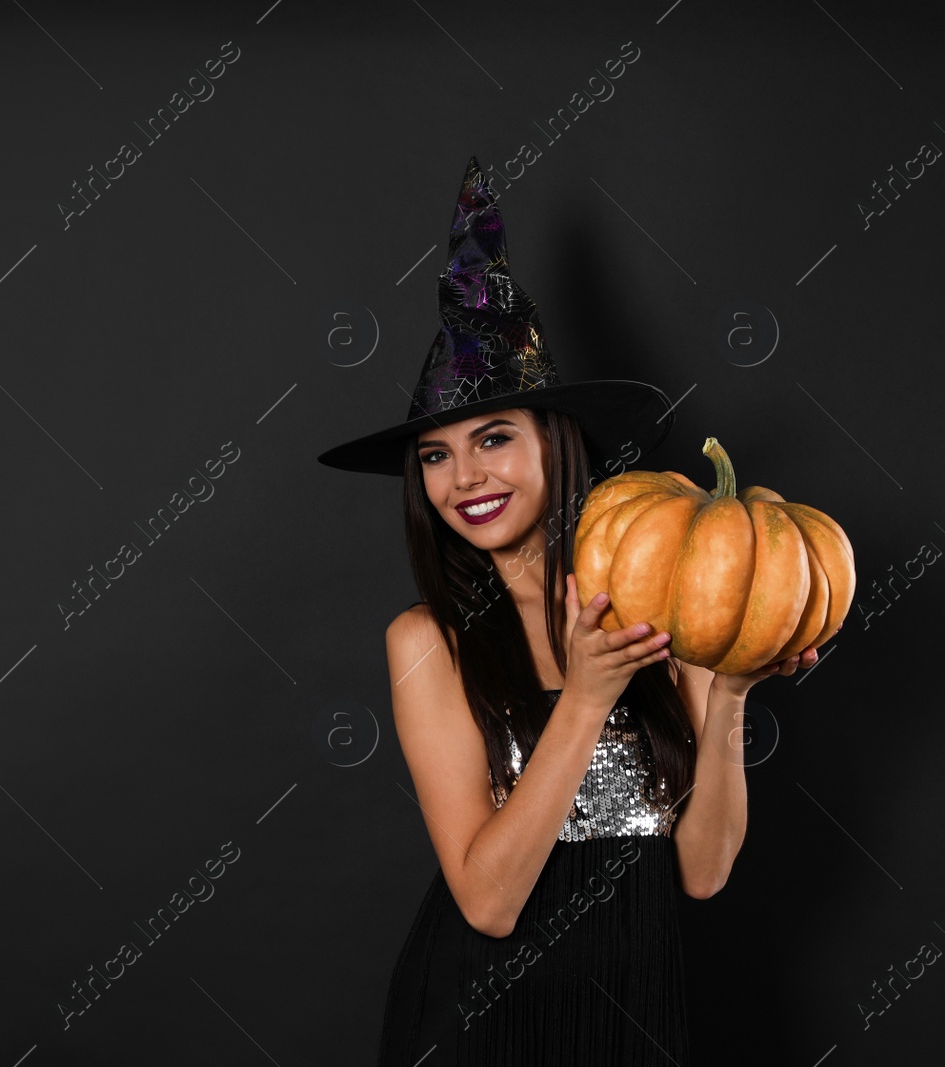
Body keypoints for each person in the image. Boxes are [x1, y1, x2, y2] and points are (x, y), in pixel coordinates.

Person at [316, 159, 834, 1065]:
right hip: (481, 1015)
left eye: (492, 438)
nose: (465, 477)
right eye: (434, 457)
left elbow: (704, 872)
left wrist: (735, 689)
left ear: (556, 442)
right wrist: (588, 698)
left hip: (639, 996)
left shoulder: (667, 596)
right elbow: (487, 900)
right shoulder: (425, 640)